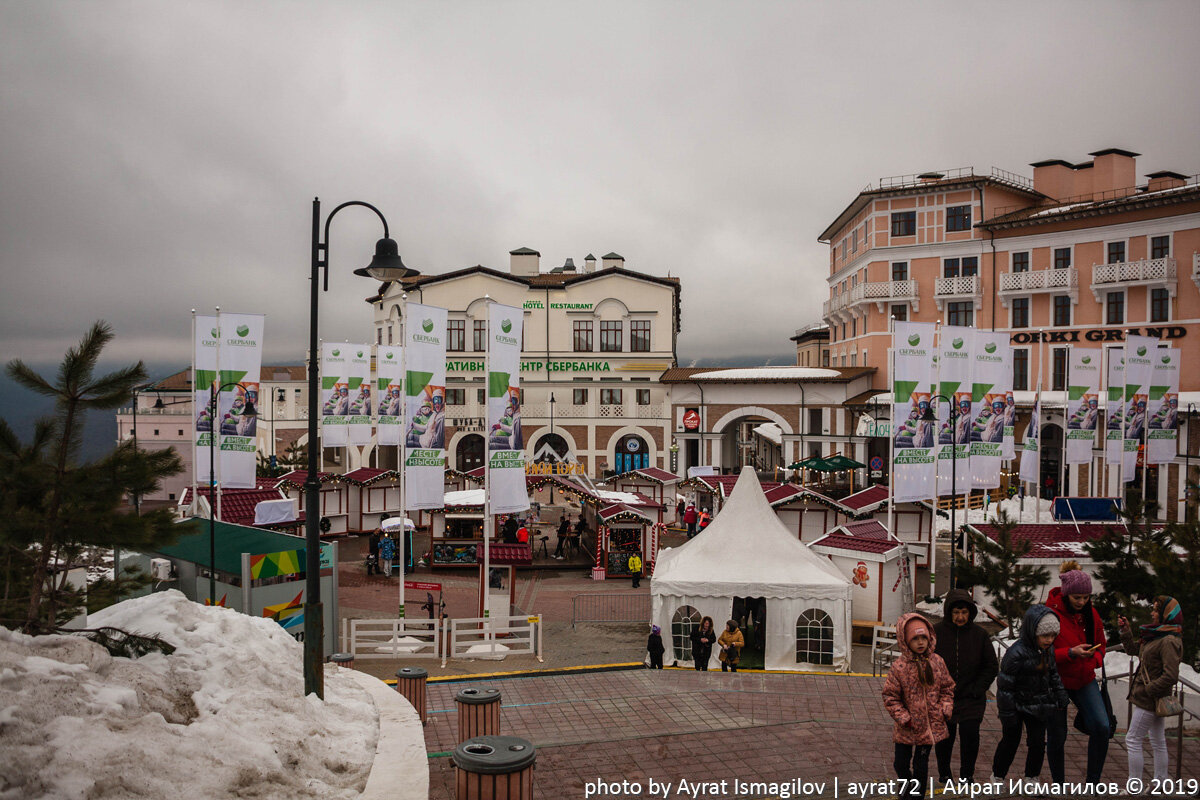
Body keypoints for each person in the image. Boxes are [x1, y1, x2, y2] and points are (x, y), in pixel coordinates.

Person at [1046, 560, 1109, 784]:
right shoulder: (1050, 614)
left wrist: (1096, 659)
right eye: (1077, 598)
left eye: (1086, 597)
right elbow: (1042, 651)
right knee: (1057, 735)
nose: (1082, 602)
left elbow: (1101, 644)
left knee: (1102, 726)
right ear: (1066, 595)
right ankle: (1058, 782)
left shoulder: (1091, 614)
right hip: (1057, 681)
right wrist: (1069, 653)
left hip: (1084, 678)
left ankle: (1093, 782)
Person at [991, 605, 1069, 786]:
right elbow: (1005, 686)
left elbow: (1053, 674)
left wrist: (1060, 693)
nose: (1049, 640)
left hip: (1039, 703)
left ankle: (1032, 776)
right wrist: (1007, 713)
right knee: (1010, 741)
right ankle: (997, 775)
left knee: (1037, 743)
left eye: (1052, 636)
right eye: (1044, 636)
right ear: (1032, 632)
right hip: (1016, 704)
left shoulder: (1048, 650)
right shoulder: (1015, 654)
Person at [881, 613, 955, 799]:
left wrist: (945, 707)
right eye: (915, 639)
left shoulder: (937, 662)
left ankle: (917, 796)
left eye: (924, 638)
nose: (920, 642)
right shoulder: (899, 667)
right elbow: (890, 697)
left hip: (929, 727)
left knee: (921, 766)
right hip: (907, 727)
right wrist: (904, 717)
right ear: (906, 641)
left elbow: (947, 688)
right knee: (900, 764)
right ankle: (906, 790)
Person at [933, 589, 998, 786]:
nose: (960, 617)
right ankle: (944, 774)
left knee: (970, 737)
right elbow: (928, 663)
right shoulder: (936, 633)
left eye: (964, 612)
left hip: (972, 698)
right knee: (945, 738)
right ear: (948, 613)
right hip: (945, 698)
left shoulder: (980, 635)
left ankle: (966, 776)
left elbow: (991, 666)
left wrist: (977, 689)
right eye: (956, 612)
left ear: (970, 613)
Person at [1118, 596, 1183, 782]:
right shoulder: (1157, 634)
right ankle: (1161, 782)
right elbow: (1134, 651)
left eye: (1156, 610)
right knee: (1157, 740)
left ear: (1166, 615)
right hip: (1152, 696)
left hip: (1150, 698)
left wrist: (1150, 690)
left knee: (1132, 739)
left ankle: (1135, 785)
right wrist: (1126, 631)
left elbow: (1171, 675)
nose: (1152, 613)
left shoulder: (1168, 640)